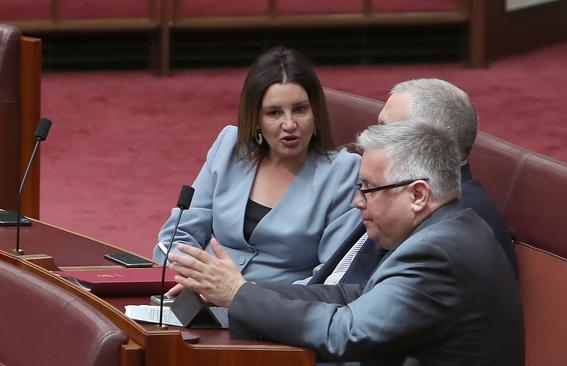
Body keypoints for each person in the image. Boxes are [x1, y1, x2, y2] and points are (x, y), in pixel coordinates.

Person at [168, 120, 525, 365]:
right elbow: (352, 296)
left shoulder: (438, 253)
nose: (357, 202)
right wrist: (239, 289)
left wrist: (239, 295)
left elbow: (345, 333)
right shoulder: (448, 227)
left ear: (417, 194)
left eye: (368, 188)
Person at [153, 47, 361, 285]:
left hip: (278, 313)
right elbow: (176, 236)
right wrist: (193, 278)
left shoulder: (344, 172)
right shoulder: (230, 147)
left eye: (300, 109)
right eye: (274, 113)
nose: (289, 124)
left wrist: (249, 298)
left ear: (316, 112)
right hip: (201, 295)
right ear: (257, 119)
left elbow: (333, 277)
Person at [309, 78, 516, 287]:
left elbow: (362, 305)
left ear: (431, 142)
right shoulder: (397, 186)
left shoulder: (449, 216)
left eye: (386, 129)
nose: (373, 136)